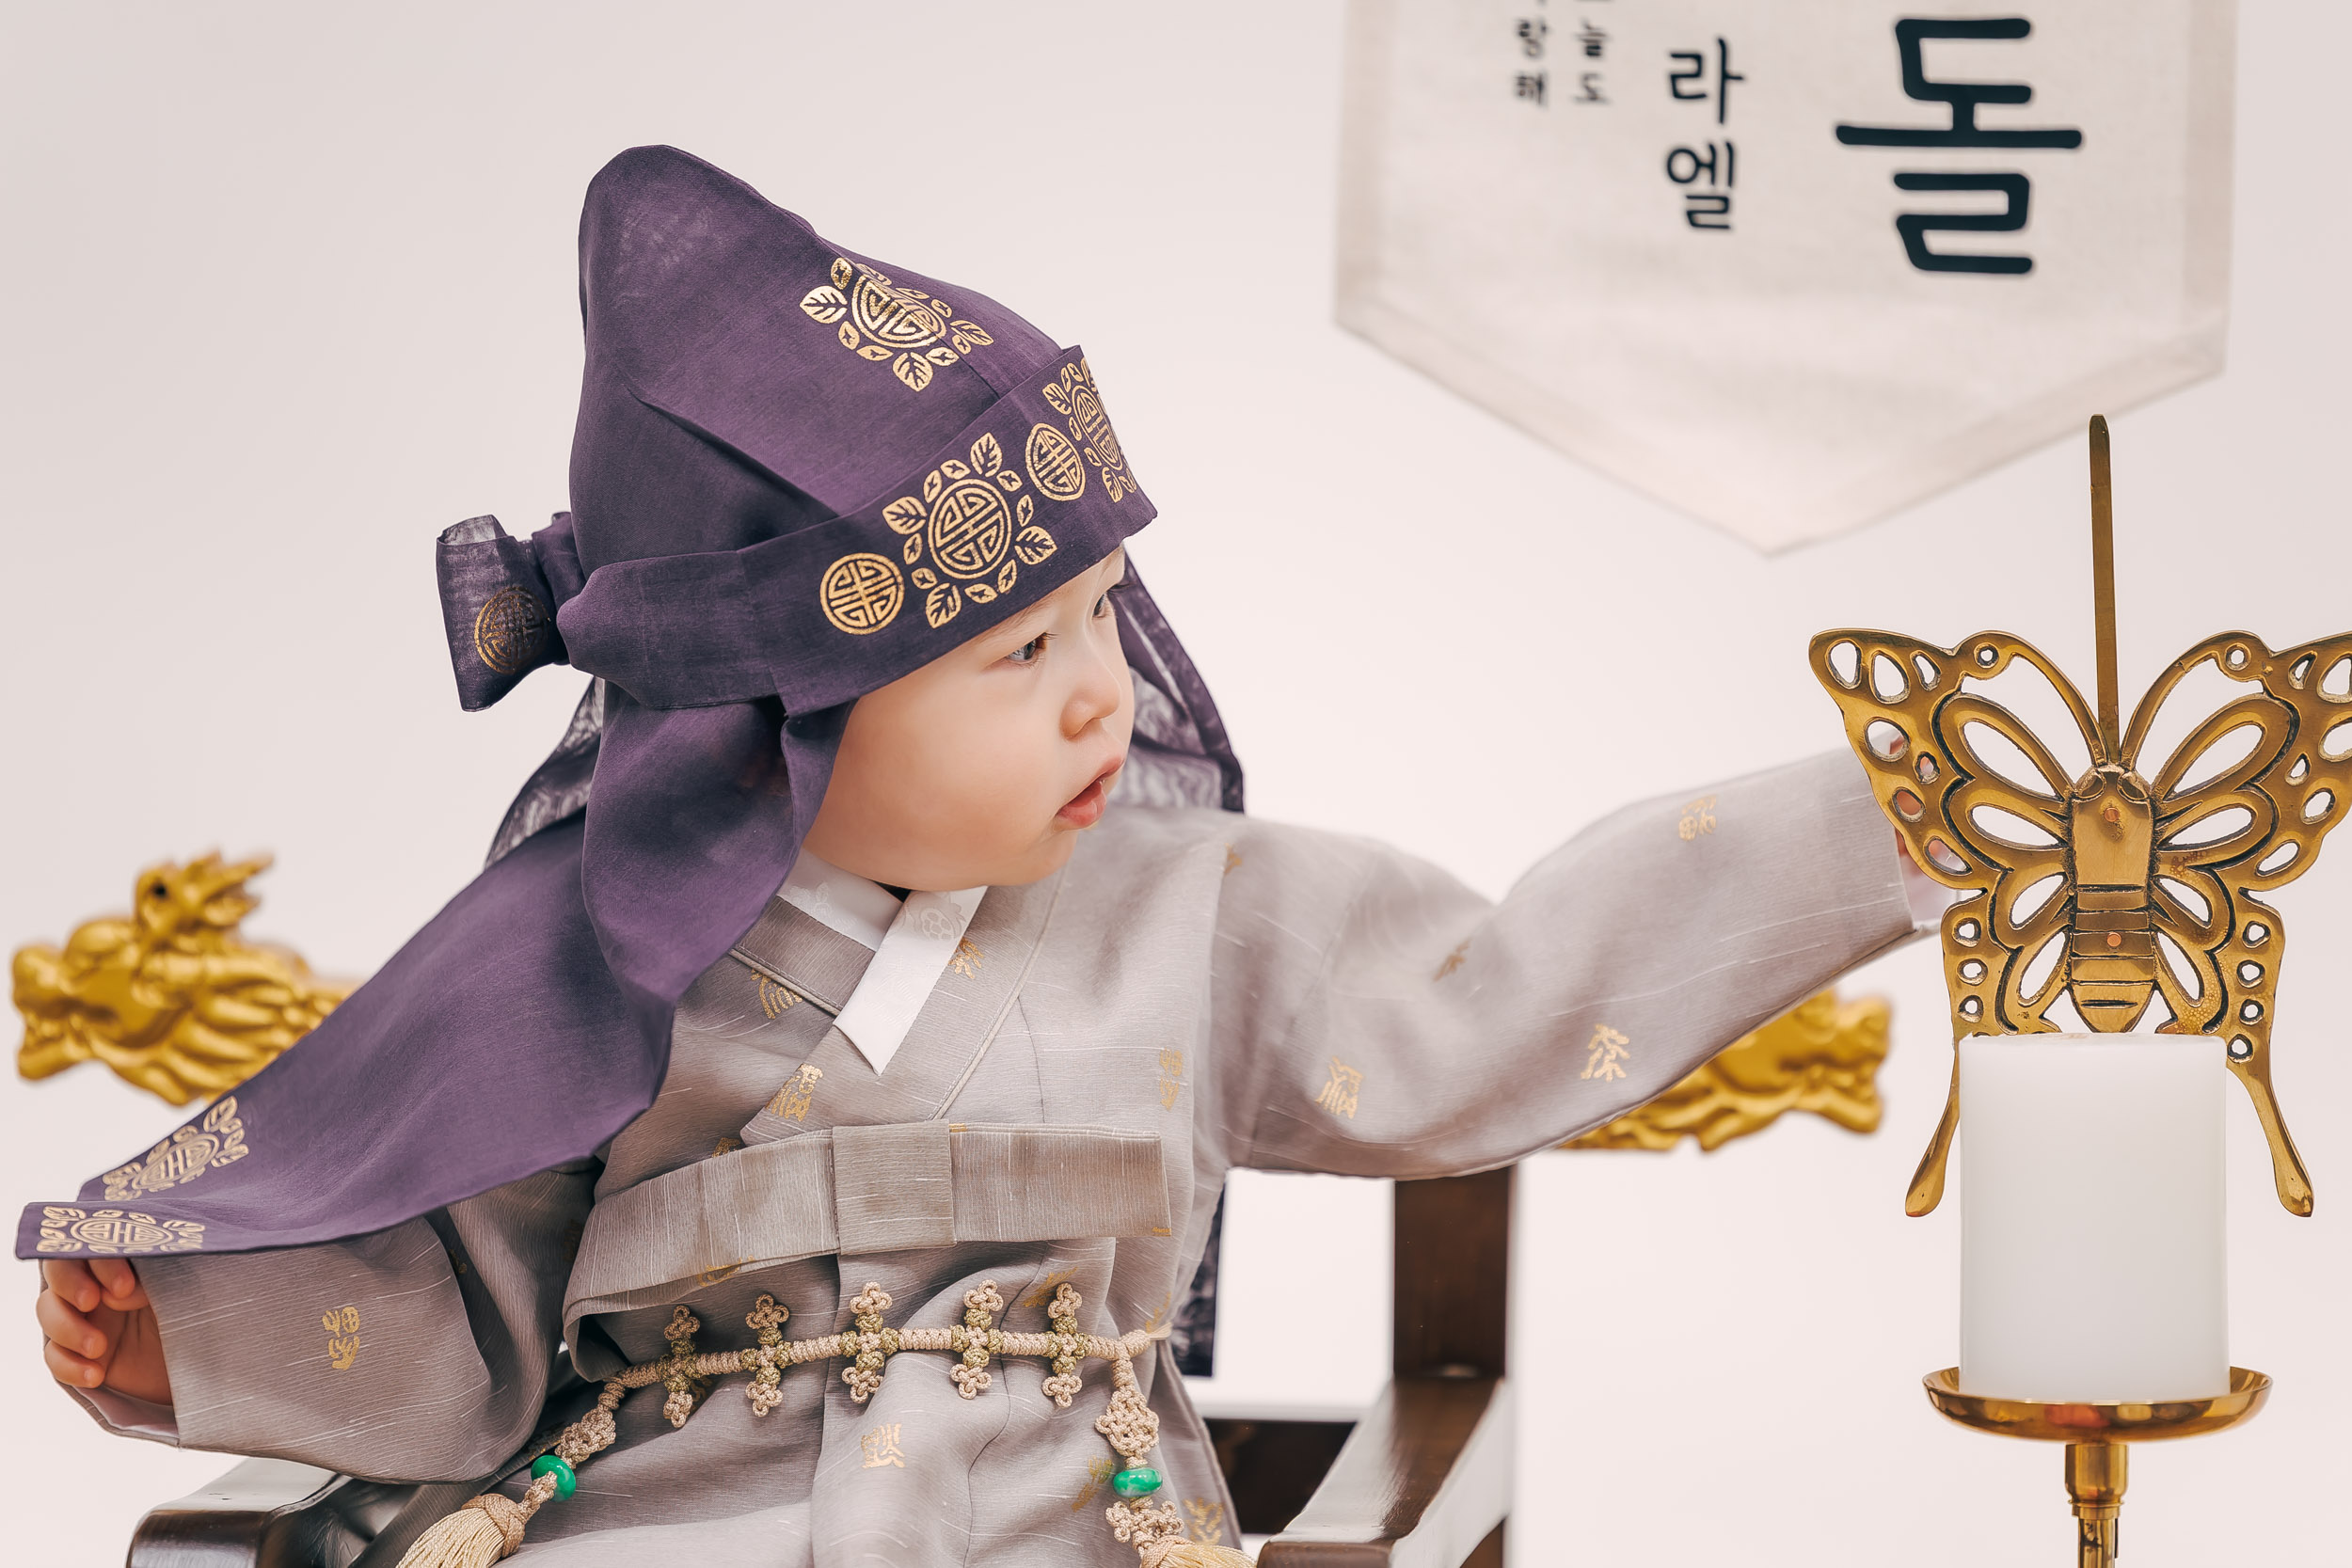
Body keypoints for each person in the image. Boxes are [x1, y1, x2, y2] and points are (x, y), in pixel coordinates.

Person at [32, 147, 1931, 1568]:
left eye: (1103, 616)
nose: (1103, 693)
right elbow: (457, 1305)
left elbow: (1501, 997)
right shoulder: (598, 954)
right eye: (1019, 655)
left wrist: (1893, 813)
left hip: (1059, 1517)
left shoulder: (1200, 913)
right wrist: (186, 1345)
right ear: (774, 711)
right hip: (659, 1520)